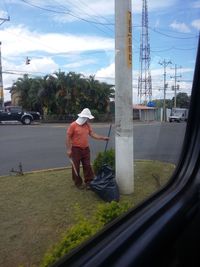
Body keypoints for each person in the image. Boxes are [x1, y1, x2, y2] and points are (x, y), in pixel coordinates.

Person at [66, 108, 109, 189]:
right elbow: (68, 137)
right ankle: (78, 183)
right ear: (83, 117)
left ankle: (89, 182)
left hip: (86, 149)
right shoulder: (73, 125)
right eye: (87, 118)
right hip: (76, 149)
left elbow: (92, 134)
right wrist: (68, 149)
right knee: (76, 166)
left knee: (87, 165)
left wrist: (102, 138)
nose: (88, 120)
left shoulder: (87, 125)